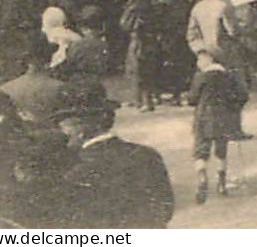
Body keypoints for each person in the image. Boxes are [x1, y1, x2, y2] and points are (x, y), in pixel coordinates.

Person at [48, 78, 175, 228]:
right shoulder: (148, 155)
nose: (62, 132)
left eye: (62, 126)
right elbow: (166, 209)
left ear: (80, 127)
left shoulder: (77, 170)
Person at [189, 49, 248, 203]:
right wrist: (234, 109)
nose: (198, 63)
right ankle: (221, 183)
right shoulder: (229, 76)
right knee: (221, 149)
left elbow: (192, 99)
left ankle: (202, 178)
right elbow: (242, 96)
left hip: (203, 117)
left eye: (201, 59)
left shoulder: (201, 77)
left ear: (210, 59)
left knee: (201, 149)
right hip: (223, 117)